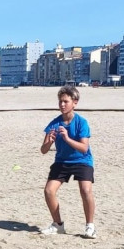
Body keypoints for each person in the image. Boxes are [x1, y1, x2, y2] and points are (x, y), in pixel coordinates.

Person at [40, 85, 96, 239]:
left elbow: (84, 148)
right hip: (62, 161)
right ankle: (58, 225)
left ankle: (90, 226)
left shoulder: (81, 122)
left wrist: (67, 138)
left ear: (75, 103)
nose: (62, 105)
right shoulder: (54, 123)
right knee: (49, 191)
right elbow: (43, 150)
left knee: (85, 191)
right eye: (60, 102)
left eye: (65, 101)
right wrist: (49, 142)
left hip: (82, 160)